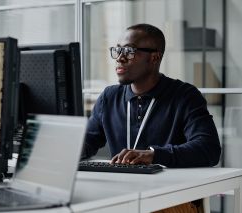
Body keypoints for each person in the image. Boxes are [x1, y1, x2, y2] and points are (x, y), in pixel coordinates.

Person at [82, 23, 221, 168]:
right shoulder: (109, 97)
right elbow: (87, 142)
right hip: (122, 186)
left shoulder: (185, 96)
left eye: (129, 51)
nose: (120, 58)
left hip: (169, 188)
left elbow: (209, 149)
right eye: (118, 50)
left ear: (155, 57)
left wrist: (154, 155)